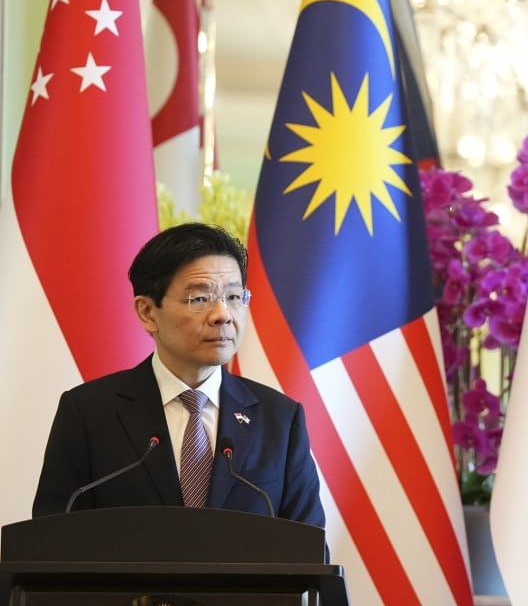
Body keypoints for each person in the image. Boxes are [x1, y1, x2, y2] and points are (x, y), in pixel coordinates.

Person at [32, 222, 326, 531]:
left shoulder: (279, 419)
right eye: (199, 299)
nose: (222, 315)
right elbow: (51, 546)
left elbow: (310, 554)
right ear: (148, 312)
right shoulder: (88, 414)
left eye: (234, 297)